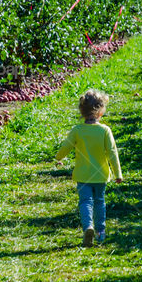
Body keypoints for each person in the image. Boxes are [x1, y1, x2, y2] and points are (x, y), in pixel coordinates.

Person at [55, 89, 123, 247]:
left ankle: (88, 228)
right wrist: (117, 173)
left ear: (82, 112)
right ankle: (100, 232)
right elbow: (112, 153)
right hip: (101, 175)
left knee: (85, 202)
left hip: (83, 175)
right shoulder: (105, 130)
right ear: (101, 112)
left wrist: (58, 157)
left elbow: (66, 146)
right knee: (99, 202)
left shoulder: (77, 130)